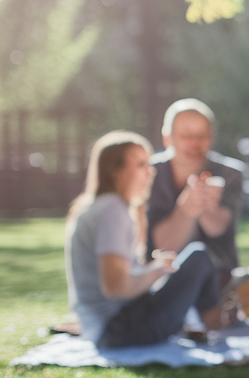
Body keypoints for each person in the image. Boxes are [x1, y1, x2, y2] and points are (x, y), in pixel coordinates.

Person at [66, 131, 222, 348]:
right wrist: (158, 270)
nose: (151, 172)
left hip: (111, 328)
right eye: (140, 165)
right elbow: (116, 287)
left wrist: (154, 269)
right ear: (115, 171)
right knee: (198, 257)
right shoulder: (111, 210)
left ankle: (209, 329)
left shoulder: (103, 207)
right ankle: (219, 332)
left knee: (192, 259)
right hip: (116, 330)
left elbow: (118, 281)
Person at [147, 99, 245, 289]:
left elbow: (219, 228)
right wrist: (185, 209)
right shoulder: (149, 174)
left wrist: (204, 206)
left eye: (202, 135)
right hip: (161, 283)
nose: (194, 143)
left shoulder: (230, 173)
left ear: (212, 137)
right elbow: (162, 245)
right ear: (168, 138)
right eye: (186, 135)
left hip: (219, 281)